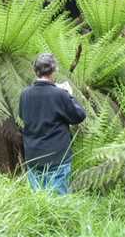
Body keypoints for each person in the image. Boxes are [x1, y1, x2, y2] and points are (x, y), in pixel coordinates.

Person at [18, 52, 87, 195]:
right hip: (57, 158)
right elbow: (79, 115)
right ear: (54, 70)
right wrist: (68, 94)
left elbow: (22, 116)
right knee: (59, 203)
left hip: (33, 157)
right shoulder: (60, 94)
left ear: (35, 71)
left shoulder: (25, 94)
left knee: (38, 202)